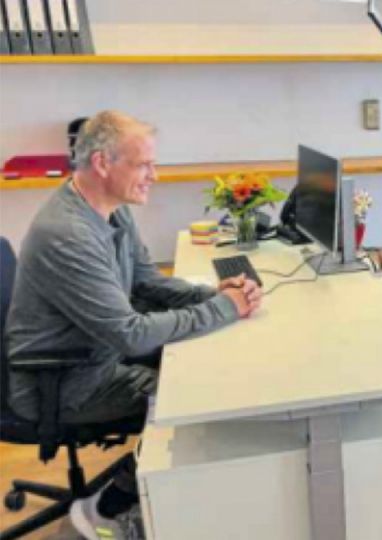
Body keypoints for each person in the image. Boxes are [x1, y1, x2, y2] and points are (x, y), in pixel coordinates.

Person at [6, 110, 262, 540]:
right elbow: (131, 332)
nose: (154, 176)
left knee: (200, 365)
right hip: (65, 382)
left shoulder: (109, 208)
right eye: (144, 165)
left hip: (96, 355)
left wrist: (215, 294)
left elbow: (146, 283)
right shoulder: (67, 233)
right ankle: (109, 509)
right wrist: (226, 309)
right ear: (104, 163)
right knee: (194, 396)